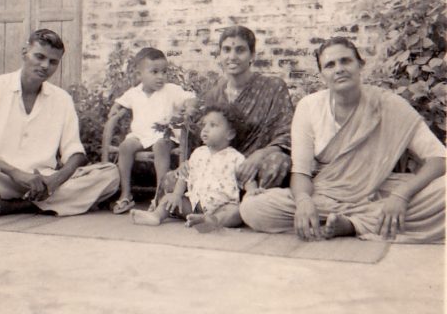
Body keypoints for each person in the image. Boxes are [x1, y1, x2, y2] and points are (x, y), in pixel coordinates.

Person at [240, 36, 446, 243]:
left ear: (360, 65)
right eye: (330, 65)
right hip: (326, 195)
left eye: (345, 61)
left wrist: (402, 195)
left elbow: (439, 158)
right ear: (322, 74)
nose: (339, 69)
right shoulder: (309, 107)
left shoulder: (389, 104)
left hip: (378, 191)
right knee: (254, 208)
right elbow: (301, 172)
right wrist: (303, 202)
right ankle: (362, 222)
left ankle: (351, 224)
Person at [0, 29, 120, 218]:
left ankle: (17, 206)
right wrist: (15, 173)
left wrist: (56, 180)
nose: (45, 65)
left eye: (53, 62)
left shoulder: (62, 99)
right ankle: (39, 203)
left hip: (43, 182)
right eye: (39, 57)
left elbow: (75, 153)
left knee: (110, 174)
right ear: (25, 52)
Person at [131, 104, 258, 232]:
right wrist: (176, 194)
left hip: (222, 206)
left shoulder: (235, 157)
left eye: (213, 125)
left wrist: (251, 192)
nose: (205, 129)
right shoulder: (198, 153)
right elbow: (185, 176)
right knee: (169, 198)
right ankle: (156, 216)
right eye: (204, 125)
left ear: (230, 134)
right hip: (194, 205)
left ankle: (212, 221)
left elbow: (247, 178)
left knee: (235, 211)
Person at [103, 47, 196, 214]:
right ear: (140, 74)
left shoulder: (171, 90)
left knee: (160, 146)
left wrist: (189, 106)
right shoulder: (134, 93)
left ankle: (159, 195)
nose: (161, 76)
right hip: (140, 136)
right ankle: (126, 194)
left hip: (164, 136)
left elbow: (190, 98)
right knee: (125, 146)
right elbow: (120, 102)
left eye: (164, 72)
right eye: (154, 72)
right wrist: (115, 108)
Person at [202, 25, 294, 189]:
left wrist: (260, 154)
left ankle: (255, 199)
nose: (232, 56)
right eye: (227, 50)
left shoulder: (273, 87)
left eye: (240, 50)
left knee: (279, 162)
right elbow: (204, 137)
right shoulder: (214, 95)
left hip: (257, 168)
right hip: (221, 167)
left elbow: (286, 134)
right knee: (174, 177)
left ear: (252, 55)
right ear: (220, 54)